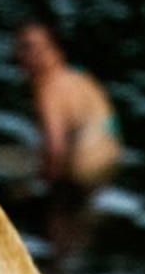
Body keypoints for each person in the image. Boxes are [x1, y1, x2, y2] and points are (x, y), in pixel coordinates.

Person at [13, 21, 122, 188]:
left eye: (27, 47)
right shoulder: (78, 75)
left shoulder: (48, 91)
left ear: (52, 50)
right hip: (109, 160)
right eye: (20, 46)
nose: (21, 54)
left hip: (82, 170)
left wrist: (44, 182)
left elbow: (56, 148)